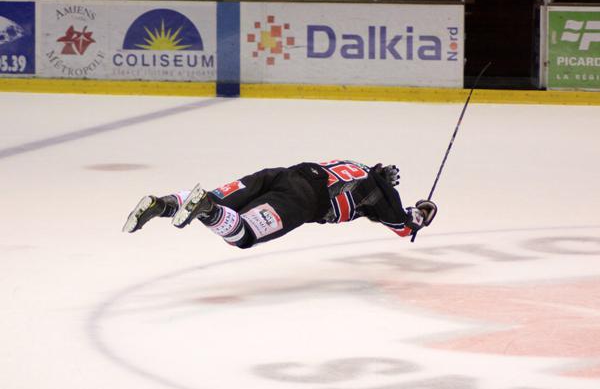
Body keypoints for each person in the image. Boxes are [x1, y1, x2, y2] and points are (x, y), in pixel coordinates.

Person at [122, 160, 437, 249]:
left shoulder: (354, 165)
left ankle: (161, 204)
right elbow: (402, 225)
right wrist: (423, 211)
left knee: (220, 196)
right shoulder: (382, 193)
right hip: (303, 199)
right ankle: (207, 209)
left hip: (281, 174)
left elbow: (363, 188)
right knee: (243, 235)